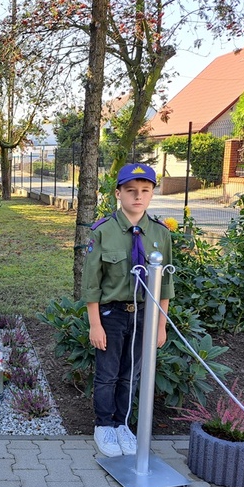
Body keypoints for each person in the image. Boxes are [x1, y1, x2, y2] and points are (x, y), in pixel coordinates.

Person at [81, 163, 174, 458]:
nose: (138, 196)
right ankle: (104, 425)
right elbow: (92, 284)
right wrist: (95, 324)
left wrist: (160, 325)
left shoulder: (160, 233)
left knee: (131, 373)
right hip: (112, 314)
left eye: (145, 190)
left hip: (145, 315)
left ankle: (122, 424)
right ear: (118, 193)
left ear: (152, 194)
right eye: (131, 190)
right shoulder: (103, 232)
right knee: (108, 373)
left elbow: (166, 285)